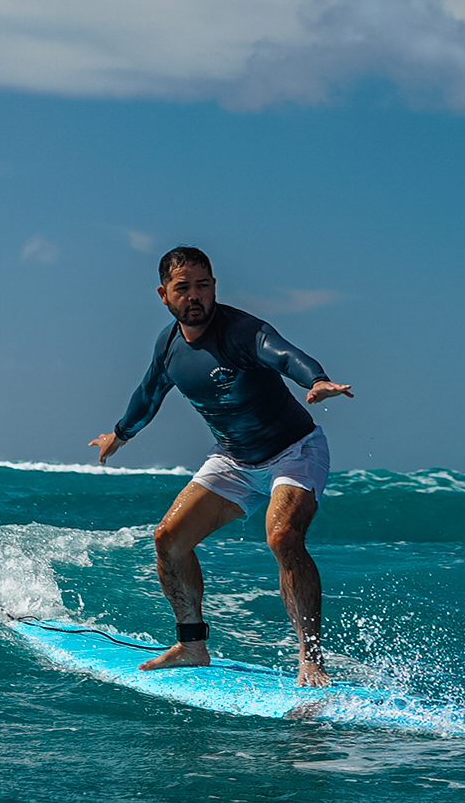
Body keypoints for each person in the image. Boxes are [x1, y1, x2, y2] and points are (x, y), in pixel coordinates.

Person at [87, 245, 352, 685]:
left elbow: (284, 355)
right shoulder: (169, 347)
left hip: (294, 450)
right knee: (168, 539)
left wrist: (317, 379)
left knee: (283, 537)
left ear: (214, 288)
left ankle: (311, 659)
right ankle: (191, 645)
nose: (195, 296)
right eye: (183, 288)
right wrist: (119, 434)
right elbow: (149, 394)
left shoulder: (242, 332)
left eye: (203, 286)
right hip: (233, 458)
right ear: (163, 295)